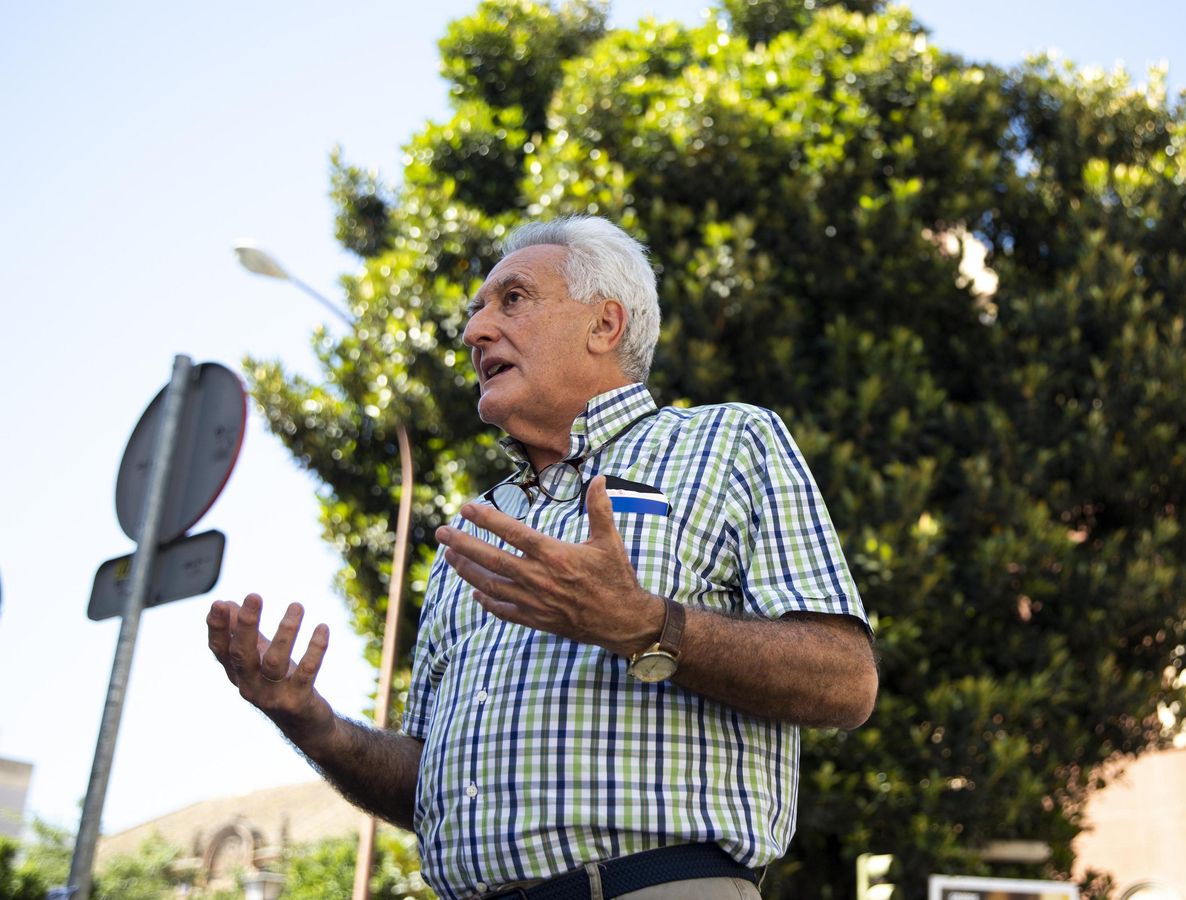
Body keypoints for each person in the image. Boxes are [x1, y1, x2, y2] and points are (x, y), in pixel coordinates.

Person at [206, 216, 877, 900]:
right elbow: (433, 786)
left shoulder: (729, 442)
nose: (475, 333)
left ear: (605, 325)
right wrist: (312, 724)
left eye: (513, 300)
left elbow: (847, 682)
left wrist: (644, 622)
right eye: (477, 312)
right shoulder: (475, 533)